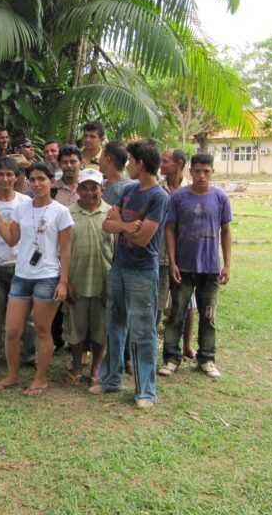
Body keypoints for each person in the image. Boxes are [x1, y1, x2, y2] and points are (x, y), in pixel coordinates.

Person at [91, 139, 169, 410]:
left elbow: (144, 238)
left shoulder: (159, 197)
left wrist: (122, 226)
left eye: (131, 162)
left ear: (140, 164)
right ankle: (111, 379)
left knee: (143, 332)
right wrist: (126, 225)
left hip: (142, 273)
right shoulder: (130, 191)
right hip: (120, 268)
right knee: (114, 324)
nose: (128, 166)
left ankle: (145, 391)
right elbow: (107, 225)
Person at [0, 163, 74, 396]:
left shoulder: (60, 212)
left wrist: (63, 282)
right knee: (12, 331)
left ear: (51, 182)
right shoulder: (22, 209)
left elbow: (66, 250)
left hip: (47, 277)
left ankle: (40, 379)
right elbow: (11, 239)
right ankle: (12, 376)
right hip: (22, 276)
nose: (36, 184)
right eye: (33, 180)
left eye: (41, 180)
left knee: (42, 330)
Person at [159, 153, 232, 379]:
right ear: (190, 171)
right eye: (197, 170)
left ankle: (206, 358)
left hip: (210, 268)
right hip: (184, 266)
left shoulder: (220, 198)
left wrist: (227, 264)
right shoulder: (179, 198)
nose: (201, 175)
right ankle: (171, 358)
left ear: (212, 172)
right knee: (176, 314)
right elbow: (169, 229)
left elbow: (226, 231)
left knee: (208, 316)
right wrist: (172, 261)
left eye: (206, 171)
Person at [0, 157, 35, 365]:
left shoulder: (26, 203)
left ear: (17, 176)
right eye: (0, 174)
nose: (5, 179)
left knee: (28, 316)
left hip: (21, 267)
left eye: (10, 174)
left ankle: (30, 354)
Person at [64, 169, 114, 386]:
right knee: (75, 329)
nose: (89, 192)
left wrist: (111, 285)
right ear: (78, 189)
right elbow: (61, 251)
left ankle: (95, 368)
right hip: (77, 282)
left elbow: (118, 253)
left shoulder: (111, 214)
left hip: (103, 283)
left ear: (101, 189)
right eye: (85, 187)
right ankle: (76, 366)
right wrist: (65, 281)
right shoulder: (67, 213)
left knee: (100, 330)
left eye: (94, 187)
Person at [158, 148, 195, 359]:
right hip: (160, 254)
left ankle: (187, 345)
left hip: (185, 255)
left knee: (188, 304)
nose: (161, 165)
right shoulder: (157, 187)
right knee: (159, 302)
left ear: (179, 163)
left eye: (166, 161)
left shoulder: (191, 189)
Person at [100, 140, 136, 206]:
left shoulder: (127, 188)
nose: (99, 160)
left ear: (107, 159)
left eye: (101, 156)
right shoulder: (101, 185)